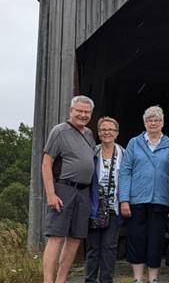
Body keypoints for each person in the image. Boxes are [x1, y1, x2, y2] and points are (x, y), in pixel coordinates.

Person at [119, 106, 169, 283]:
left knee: (156, 240)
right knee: (136, 239)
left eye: (157, 120)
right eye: (149, 120)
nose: (153, 123)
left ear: (162, 122)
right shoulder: (134, 143)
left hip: (161, 201)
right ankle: (138, 279)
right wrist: (124, 199)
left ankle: (153, 279)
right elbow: (125, 171)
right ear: (144, 123)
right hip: (136, 200)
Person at [41, 95, 97, 283]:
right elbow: (46, 163)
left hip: (84, 192)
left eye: (86, 112)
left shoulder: (88, 134)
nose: (83, 115)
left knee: (75, 238)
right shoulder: (59, 131)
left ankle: (61, 280)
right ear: (71, 111)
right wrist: (51, 194)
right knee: (56, 237)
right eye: (79, 111)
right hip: (64, 189)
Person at [85, 117, 125, 283]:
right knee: (93, 248)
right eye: (103, 130)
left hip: (114, 207)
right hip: (95, 207)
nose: (107, 132)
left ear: (116, 133)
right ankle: (90, 280)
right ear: (98, 133)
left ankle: (107, 280)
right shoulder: (92, 152)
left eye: (111, 130)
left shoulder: (125, 154)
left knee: (109, 247)